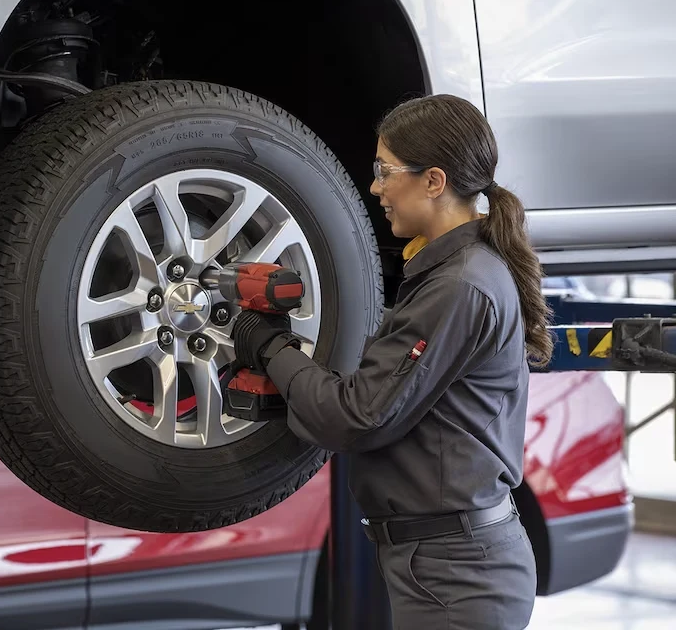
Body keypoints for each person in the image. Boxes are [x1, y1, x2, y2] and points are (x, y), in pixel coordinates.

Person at [232, 93, 553, 629]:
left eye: (384, 171)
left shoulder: (461, 285)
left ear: (433, 180)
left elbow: (358, 416)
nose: (376, 187)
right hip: (441, 561)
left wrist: (269, 346)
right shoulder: (451, 275)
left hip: (460, 574)